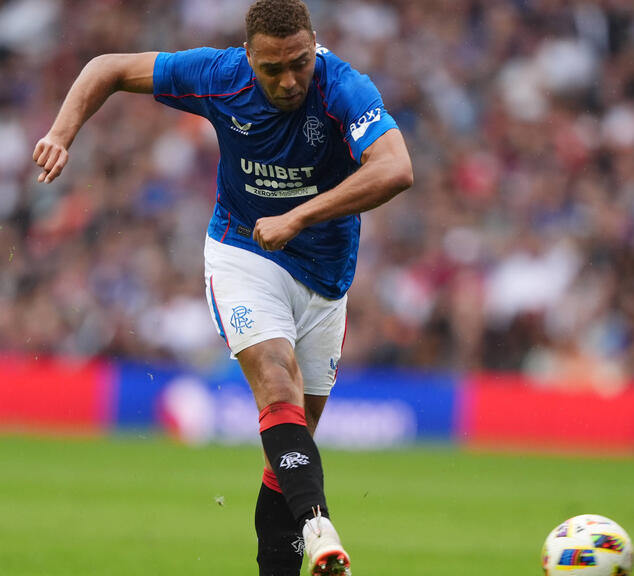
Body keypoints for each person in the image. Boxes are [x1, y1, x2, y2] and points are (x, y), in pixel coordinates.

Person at [32, 1, 413, 574]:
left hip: (326, 279)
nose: (289, 80)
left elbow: (395, 168)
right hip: (243, 252)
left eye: (300, 63)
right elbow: (106, 67)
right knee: (276, 381)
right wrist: (61, 134)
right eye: (272, 68)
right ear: (248, 58)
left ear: (315, 45)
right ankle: (319, 525)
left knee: (288, 452)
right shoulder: (218, 75)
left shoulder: (343, 87)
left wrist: (300, 217)